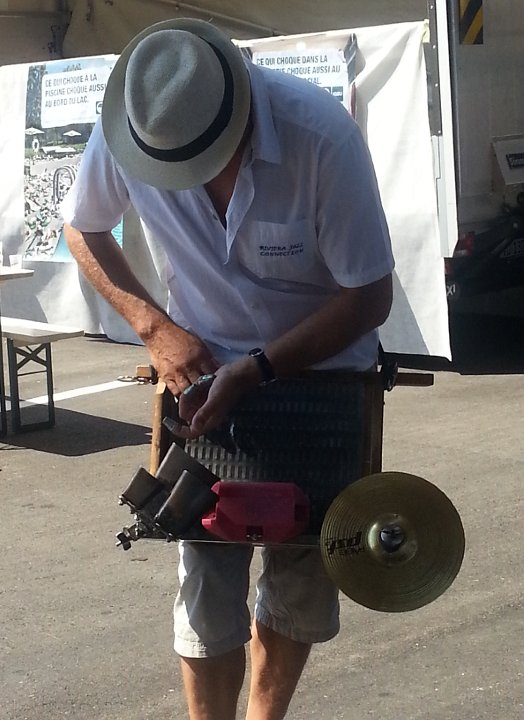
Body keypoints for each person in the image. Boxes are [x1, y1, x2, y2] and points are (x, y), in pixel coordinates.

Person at [61, 17, 394, 720]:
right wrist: (154, 328)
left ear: (240, 110)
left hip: (322, 380)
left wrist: (261, 368)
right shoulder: (135, 127)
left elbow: (368, 296)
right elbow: (82, 226)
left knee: (301, 574)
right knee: (206, 575)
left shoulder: (319, 136)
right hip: (204, 379)